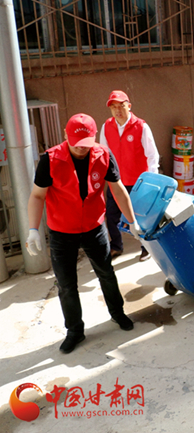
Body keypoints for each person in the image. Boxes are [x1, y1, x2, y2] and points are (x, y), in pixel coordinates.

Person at [26, 114, 141, 354]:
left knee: (106, 274)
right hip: (61, 231)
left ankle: (117, 313)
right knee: (67, 285)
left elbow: (118, 191)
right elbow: (37, 196)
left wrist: (132, 221)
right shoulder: (50, 159)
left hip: (93, 227)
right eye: (75, 141)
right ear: (66, 136)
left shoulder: (103, 155)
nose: (80, 147)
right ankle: (75, 331)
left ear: (94, 137)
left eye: (86, 141)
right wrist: (33, 229)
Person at [100, 90, 159, 260]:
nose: (118, 110)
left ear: (129, 106)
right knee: (111, 215)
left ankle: (146, 247)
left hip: (138, 181)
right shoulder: (107, 126)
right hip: (116, 181)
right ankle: (116, 246)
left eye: (121, 106)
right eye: (114, 107)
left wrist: (151, 179)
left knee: (141, 216)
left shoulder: (141, 126)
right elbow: (104, 152)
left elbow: (152, 155)